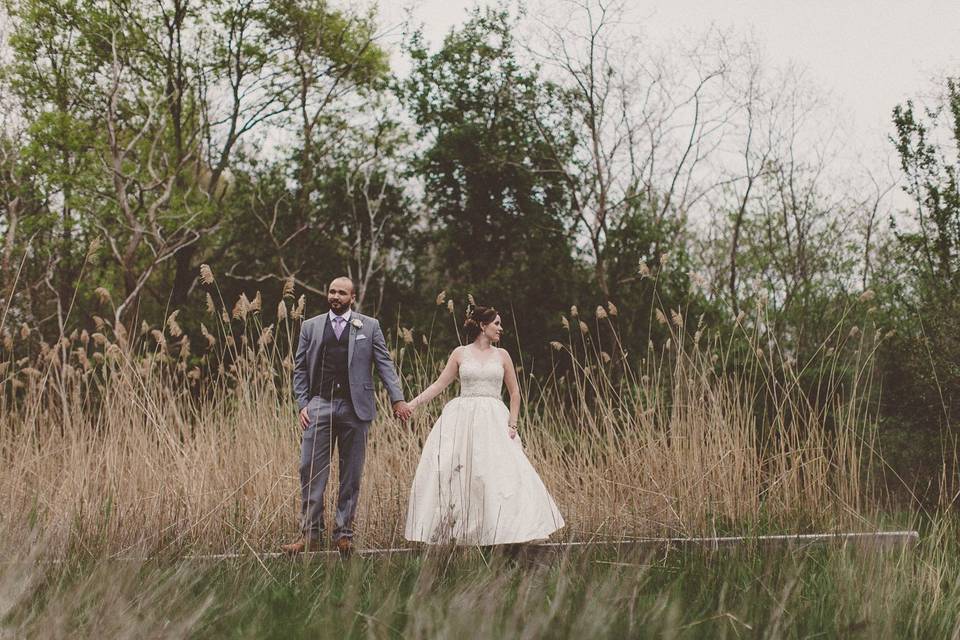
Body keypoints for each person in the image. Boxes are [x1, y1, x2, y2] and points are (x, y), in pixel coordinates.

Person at [404, 304, 564, 545]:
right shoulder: (460, 353)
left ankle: (506, 531)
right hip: (463, 417)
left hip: (494, 417)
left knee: (499, 473)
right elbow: (439, 385)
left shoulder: (503, 355)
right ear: (482, 325)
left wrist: (513, 424)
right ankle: (461, 532)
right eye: (496, 323)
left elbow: (515, 393)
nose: (501, 328)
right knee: (462, 472)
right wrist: (413, 404)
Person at [282, 276, 413, 556]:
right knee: (310, 470)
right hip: (320, 406)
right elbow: (300, 368)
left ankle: (344, 533)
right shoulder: (310, 326)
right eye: (331, 291)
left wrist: (397, 399)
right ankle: (310, 534)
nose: (335, 297)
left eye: (342, 293)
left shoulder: (370, 326)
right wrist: (303, 403)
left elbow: (385, 365)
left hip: (357, 408)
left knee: (351, 474)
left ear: (352, 297)